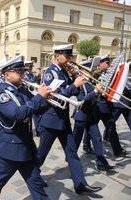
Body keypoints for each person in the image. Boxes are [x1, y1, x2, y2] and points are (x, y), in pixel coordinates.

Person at [37, 44, 102, 194]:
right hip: (51, 120)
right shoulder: (49, 73)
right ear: (57, 55)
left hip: (63, 120)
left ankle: (80, 184)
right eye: (66, 57)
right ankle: (33, 175)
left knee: (72, 152)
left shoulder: (64, 72)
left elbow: (74, 92)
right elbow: (55, 96)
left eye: (70, 57)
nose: (69, 60)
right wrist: (74, 84)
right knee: (42, 153)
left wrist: (77, 78)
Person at [0, 56, 51, 200]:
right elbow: (18, 114)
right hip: (11, 148)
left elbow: (34, 108)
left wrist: (48, 98)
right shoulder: (3, 94)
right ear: (7, 75)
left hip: (26, 146)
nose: (23, 74)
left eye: (23, 71)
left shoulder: (22, 90)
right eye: (19, 71)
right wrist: (39, 98)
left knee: (36, 184)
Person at [72, 58, 114, 171]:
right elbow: (82, 99)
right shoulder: (79, 82)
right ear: (83, 70)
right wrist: (95, 91)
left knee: (97, 138)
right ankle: (71, 160)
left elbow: (95, 97)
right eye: (90, 70)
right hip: (81, 114)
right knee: (75, 140)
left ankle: (101, 162)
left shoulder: (92, 81)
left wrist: (101, 93)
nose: (93, 71)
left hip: (91, 114)